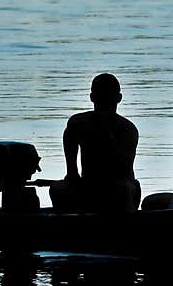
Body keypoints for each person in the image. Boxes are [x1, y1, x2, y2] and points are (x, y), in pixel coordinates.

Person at [49, 73, 141, 213]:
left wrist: (108, 134)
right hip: (88, 185)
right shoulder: (78, 123)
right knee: (56, 189)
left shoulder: (127, 129)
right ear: (92, 98)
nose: (104, 102)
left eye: (108, 97)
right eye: (101, 97)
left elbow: (124, 170)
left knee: (123, 189)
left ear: (118, 98)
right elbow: (72, 171)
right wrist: (72, 173)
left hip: (120, 185)